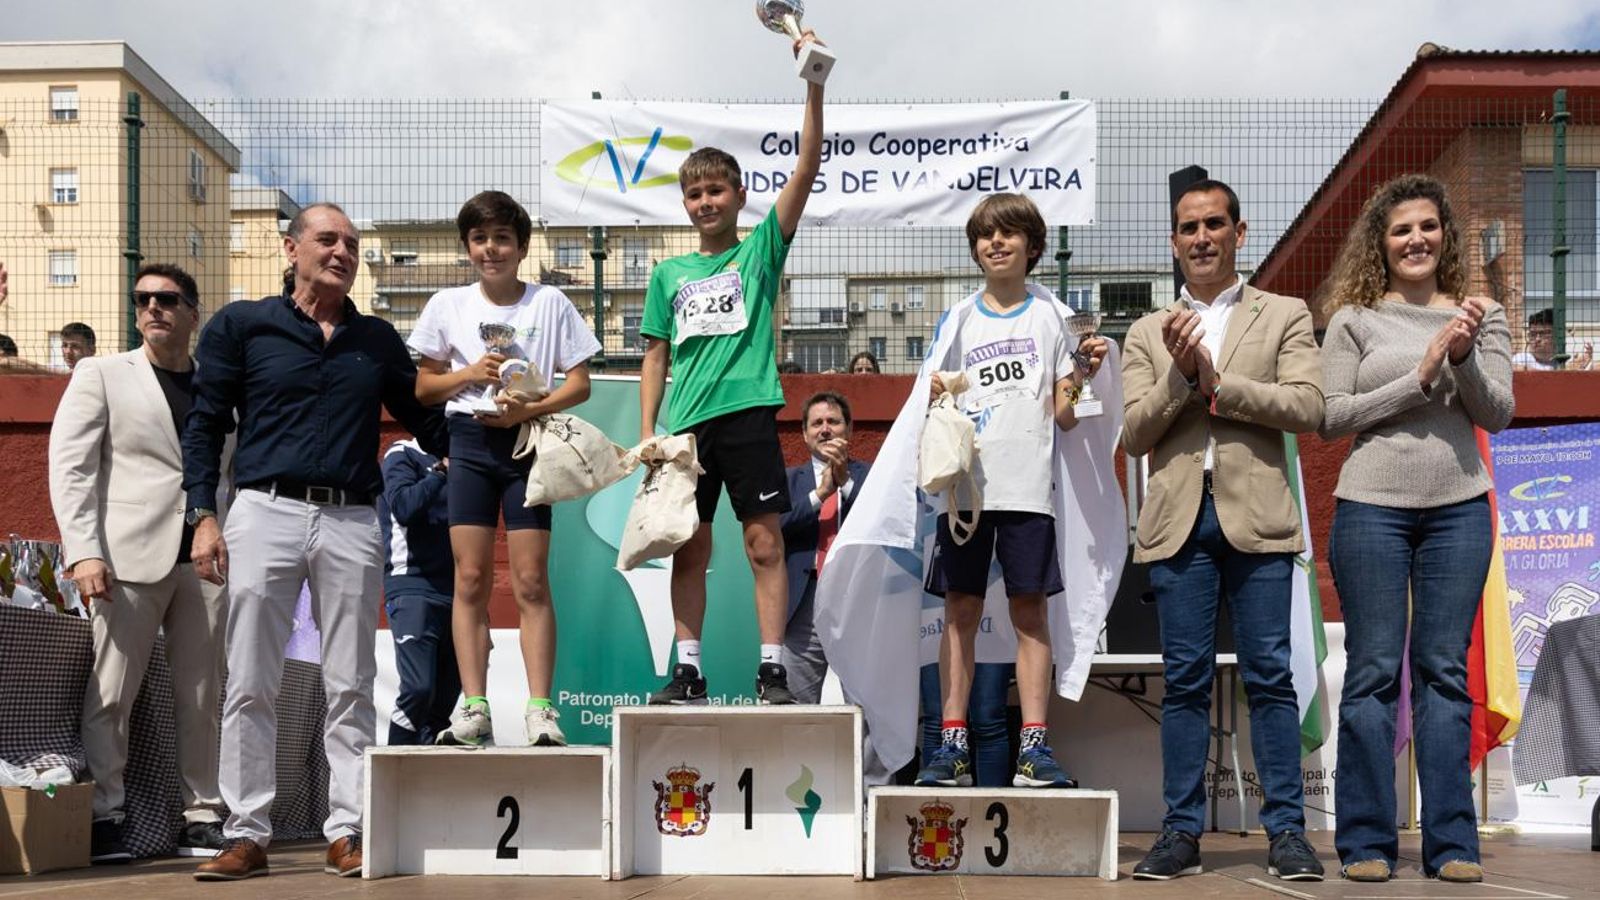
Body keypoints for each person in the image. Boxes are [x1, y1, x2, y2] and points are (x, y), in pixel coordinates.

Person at [184, 202, 448, 881]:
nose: (342, 253)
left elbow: (429, 420)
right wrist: (201, 515)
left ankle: (349, 830)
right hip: (262, 511)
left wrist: (503, 440)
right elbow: (206, 424)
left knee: (352, 683)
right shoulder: (243, 325)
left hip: (353, 520)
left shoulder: (378, 340)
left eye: (353, 244)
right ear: (289, 248)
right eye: (327, 240)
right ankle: (246, 834)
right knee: (248, 681)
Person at [1121, 179, 1325, 881]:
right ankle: (1180, 833)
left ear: (1240, 232)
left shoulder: (1286, 313)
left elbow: (1307, 407)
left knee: (1270, 675)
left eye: (1213, 224)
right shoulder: (1148, 331)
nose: (1200, 237)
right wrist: (1181, 376)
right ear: (1174, 242)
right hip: (1178, 524)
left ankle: (1288, 833)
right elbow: (1134, 431)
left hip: (1259, 519)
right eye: (1187, 228)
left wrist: (1216, 387)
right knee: (1183, 681)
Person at [1319, 174, 1514, 884]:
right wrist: (1422, 375)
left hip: (1460, 507)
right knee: (1372, 672)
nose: (1415, 240)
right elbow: (1331, 416)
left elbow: (1496, 413)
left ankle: (1453, 842)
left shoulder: (1480, 315)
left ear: (1446, 236)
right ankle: (1366, 841)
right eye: (1401, 230)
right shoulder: (1353, 320)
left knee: (1444, 673)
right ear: (1383, 242)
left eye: (1427, 227)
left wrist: (1460, 358)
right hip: (1371, 506)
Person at [638, 30, 825, 706]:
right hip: (684, 430)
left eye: (716, 190)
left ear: (739, 195)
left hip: (745, 415)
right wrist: (652, 435)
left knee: (762, 544)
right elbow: (655, 354)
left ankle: (771, 669)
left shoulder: (761, 252)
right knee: (688, 549)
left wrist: (814, 83)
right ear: (685, 204)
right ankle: (687, 672)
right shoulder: (668, 274)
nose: (705, 202)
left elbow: (806, 166)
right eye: (694, 195)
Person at [913, 193, 1107, 791]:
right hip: (966, 495)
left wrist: (1083, 377)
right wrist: (941, 393)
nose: (996, 243)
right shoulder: (959, 318)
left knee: (1030, 617)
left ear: (1032, 246)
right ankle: (951, 747)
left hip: (1028, 492)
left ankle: (1033, 751)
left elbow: (1066, 416)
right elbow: (927, 400)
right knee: (960, 614)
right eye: (985, 235)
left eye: (1009, 234)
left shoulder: (1052, 317)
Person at [48, 264, 229, 862]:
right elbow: (71, 467)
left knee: (202, 695)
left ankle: (200, 815)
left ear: (192, 313)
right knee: (111, 691)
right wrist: (84, 551)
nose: (153, 308)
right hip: (123, 556)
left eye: (168, 299)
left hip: (202, 560)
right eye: (143, 299)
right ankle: (105, 815)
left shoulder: (216, 386)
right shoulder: (101, 373)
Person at [409, 190, 600, 748]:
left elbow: (579, 382)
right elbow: (424, 387)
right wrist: (469, 372)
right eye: (480, 239)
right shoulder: (448, 304)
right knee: (468, 578)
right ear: (467, 247)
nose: (491, 249)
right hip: (467, 442)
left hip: (525, 444)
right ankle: (474, 708)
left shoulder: (550, 303)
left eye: (502, 239)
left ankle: (542, 709)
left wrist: (531, 408)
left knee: (530, 581)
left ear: (520, 247)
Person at [778, 391, 870, 703]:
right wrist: (821, 493)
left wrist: (844, 485)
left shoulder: (871, 476)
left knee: (865, 706)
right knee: (796, 709)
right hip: (804, 600)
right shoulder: (789, 480)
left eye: (833, 421)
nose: (825, 429)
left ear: (850, 429)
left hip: (855, 598)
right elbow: (775, 529)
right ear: (804, 434)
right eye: (817, 423)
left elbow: (881, 524)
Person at [378, 439, 459, 746]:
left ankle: (428, 786)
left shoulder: (469, 455)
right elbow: (403, 507)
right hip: (413, 584)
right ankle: (395, 771)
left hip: (462, 594)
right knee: (418, 689)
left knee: (444, 703)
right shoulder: (402, 452)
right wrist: (439, 473)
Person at [1511, 308, 1592, 371]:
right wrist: (1566, 371)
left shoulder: (1561, 361)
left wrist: (1582, 364)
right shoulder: (1522, 359)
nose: (1537, 339)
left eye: (1542, 333)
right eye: (1533, 334)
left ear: (1555, 335)